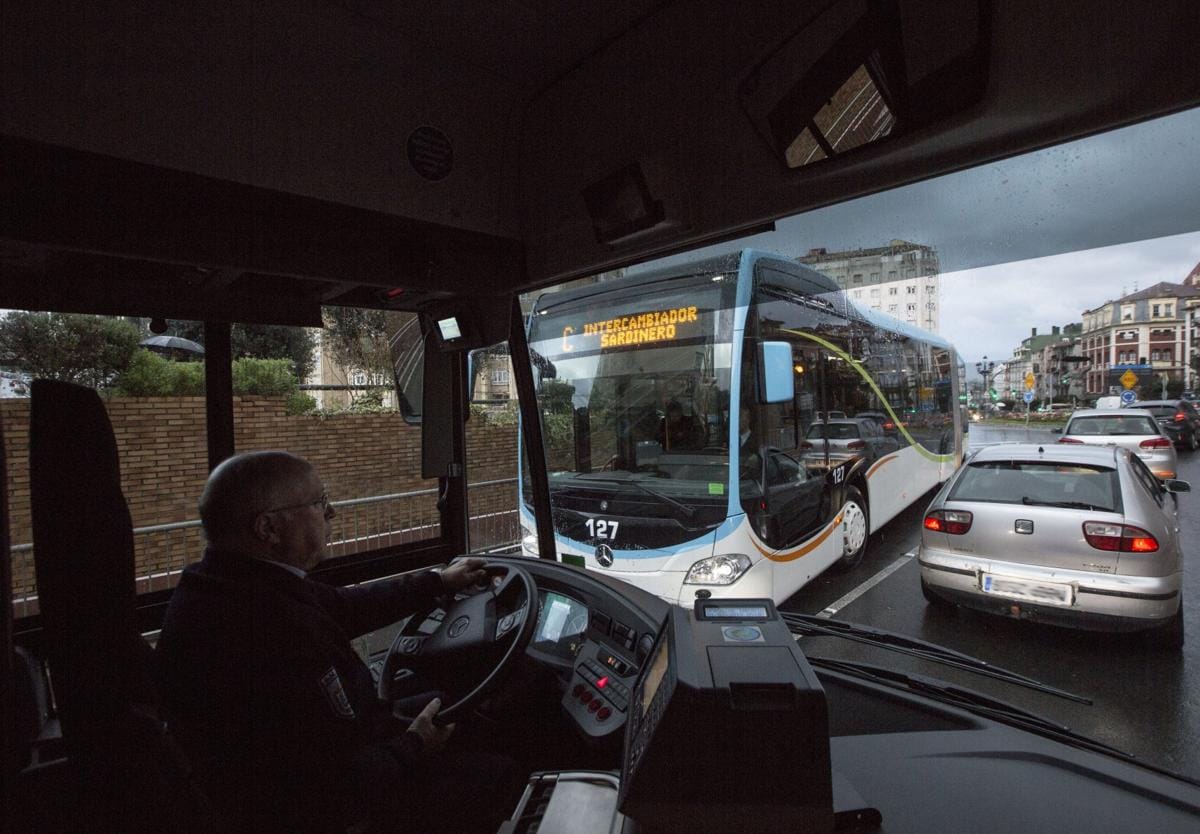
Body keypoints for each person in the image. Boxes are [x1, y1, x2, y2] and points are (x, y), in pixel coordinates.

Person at [155, 451, 523, 833]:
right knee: (500, 774)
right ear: (268, 528)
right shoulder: (255, 630)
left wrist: (439, 581)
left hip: (350, 754)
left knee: (452, 706)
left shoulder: (231, 583)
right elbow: (317, 787)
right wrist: (413, 745)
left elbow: (345, 606)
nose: (333, 513)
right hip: (337, 811)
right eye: (319, 503)